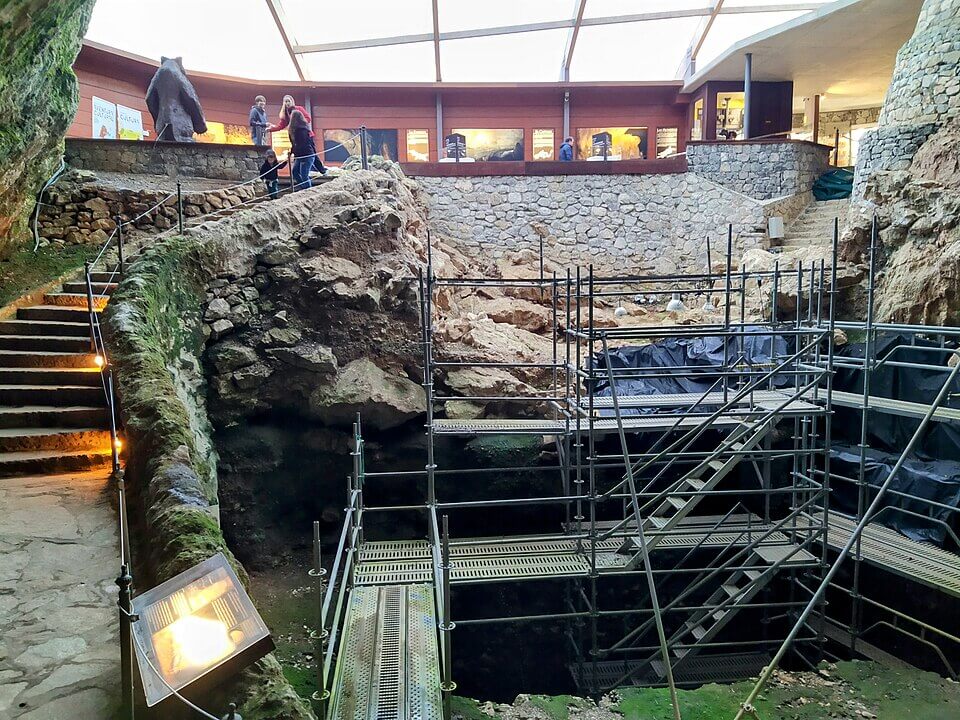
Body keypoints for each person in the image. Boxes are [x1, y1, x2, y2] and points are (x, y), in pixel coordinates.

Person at [289, 110, 316, 191]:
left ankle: (308, 191)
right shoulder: (299, 130)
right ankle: (304, 188)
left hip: (306, 155)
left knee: (304, 175)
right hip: (300, 155)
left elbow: (303, 144)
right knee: (295, 172)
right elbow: (295, 144)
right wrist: (292, 152)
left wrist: (298, 155)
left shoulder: (302, 130)